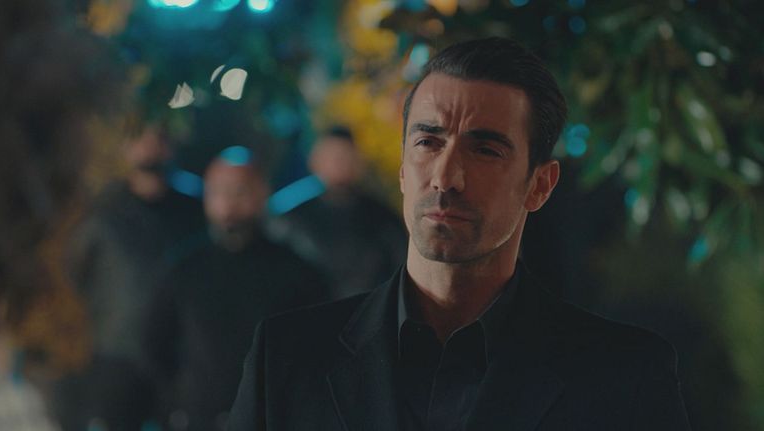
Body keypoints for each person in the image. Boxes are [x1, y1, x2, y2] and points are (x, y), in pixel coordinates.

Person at [227, 37, 690, 430]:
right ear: (403, 168)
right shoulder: (286, 357)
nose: (446, 177)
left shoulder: (625, 376)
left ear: (540, 185)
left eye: (485, 150)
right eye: (428, 142)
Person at [145, 146, 329, 431]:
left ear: (262, 192)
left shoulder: (297, 272)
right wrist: (177, 403)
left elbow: (319, 350)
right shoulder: (184, 269)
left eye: (239, 191)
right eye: (218, 192)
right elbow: (155, 344)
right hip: (198, 420)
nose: (228, 204)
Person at [52, 120, 205, 430]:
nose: (150, 147)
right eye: (140, 138)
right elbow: (71, 279)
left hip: (182, 359)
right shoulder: (100, 213)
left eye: (158, 137)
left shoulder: (196, 210)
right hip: (115, 356)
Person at [268, 126, 407, 299]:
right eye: (332, 157)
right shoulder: (291, 219)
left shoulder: (383, 219)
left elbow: (400, 272)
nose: (339, 164)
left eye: (345, 157)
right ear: (314, 160)